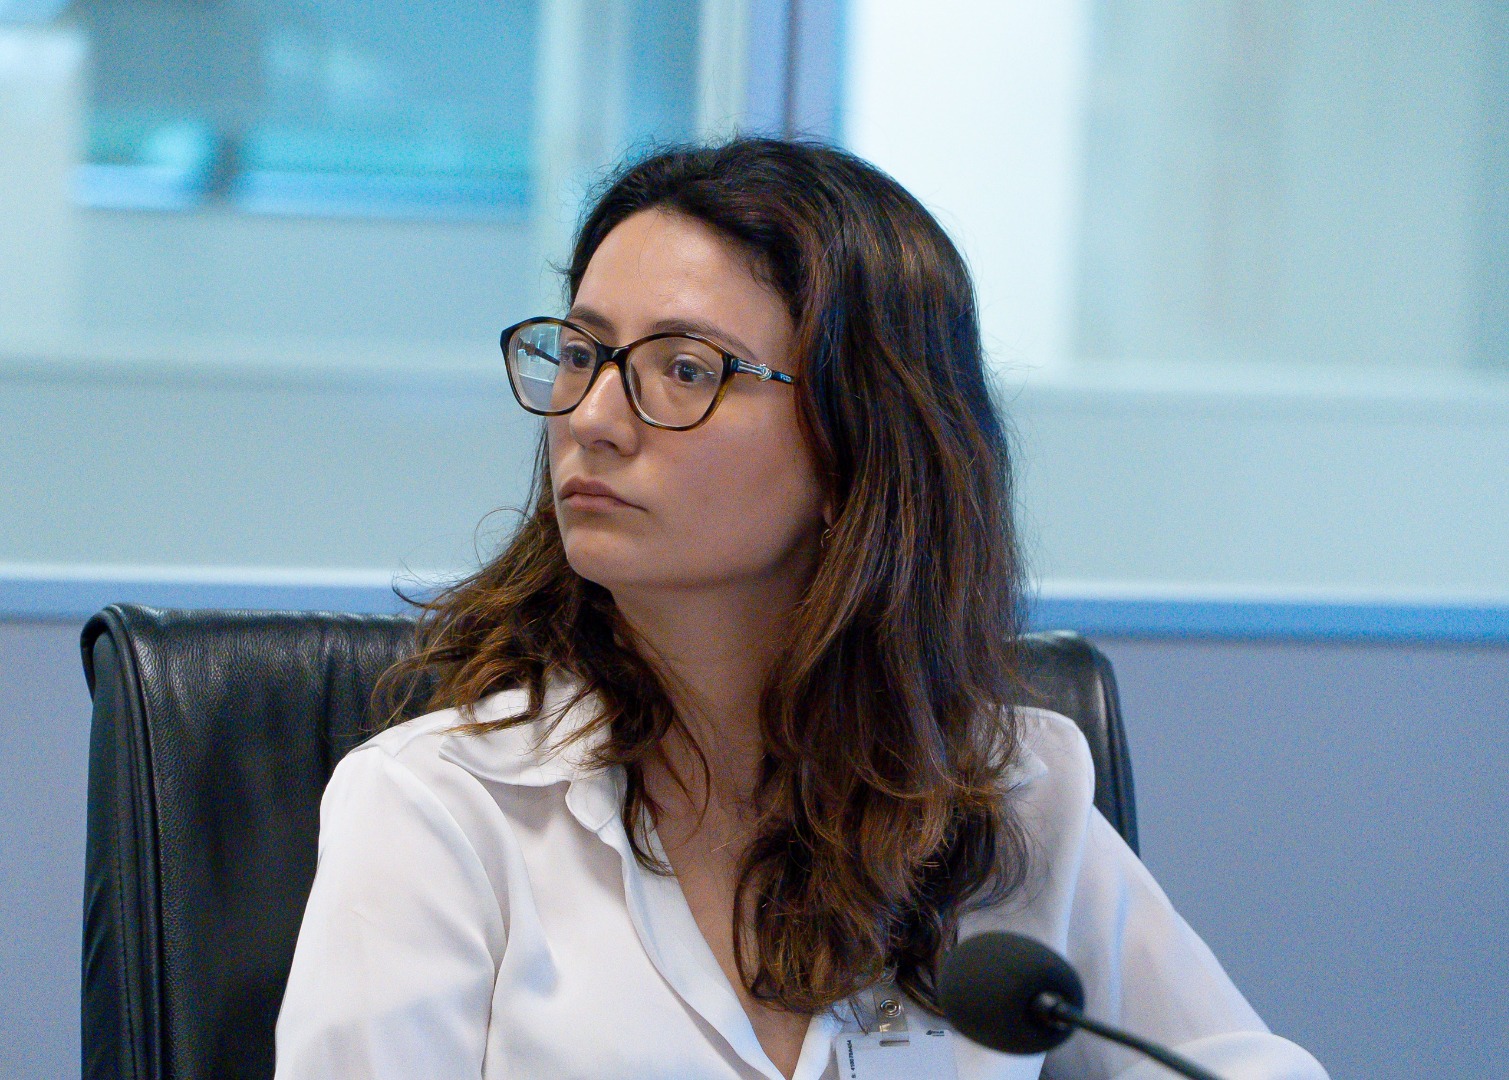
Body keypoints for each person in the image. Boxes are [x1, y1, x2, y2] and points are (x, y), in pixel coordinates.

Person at [274, 138, 1328, 1080]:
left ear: (855, 442)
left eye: (683, 369)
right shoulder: (440, 812)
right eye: (583, 355)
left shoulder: (1007, 798)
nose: (592, 418)